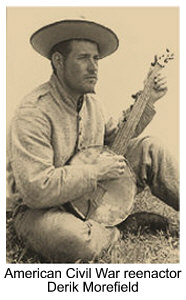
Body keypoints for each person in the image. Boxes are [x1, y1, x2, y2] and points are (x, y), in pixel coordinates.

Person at [7, 20, 179, 263]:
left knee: (150, 147)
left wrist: (147, 99)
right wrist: (95, 172)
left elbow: (116, 140)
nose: (93, 67)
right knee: (71, 240)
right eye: (83, 58)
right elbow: (36, 189)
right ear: (58, 61)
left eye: (96, 59)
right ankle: (119, 229)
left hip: (91, 195)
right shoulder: (33, 113)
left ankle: (101, 224)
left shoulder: (93, 103)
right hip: (43, 208)